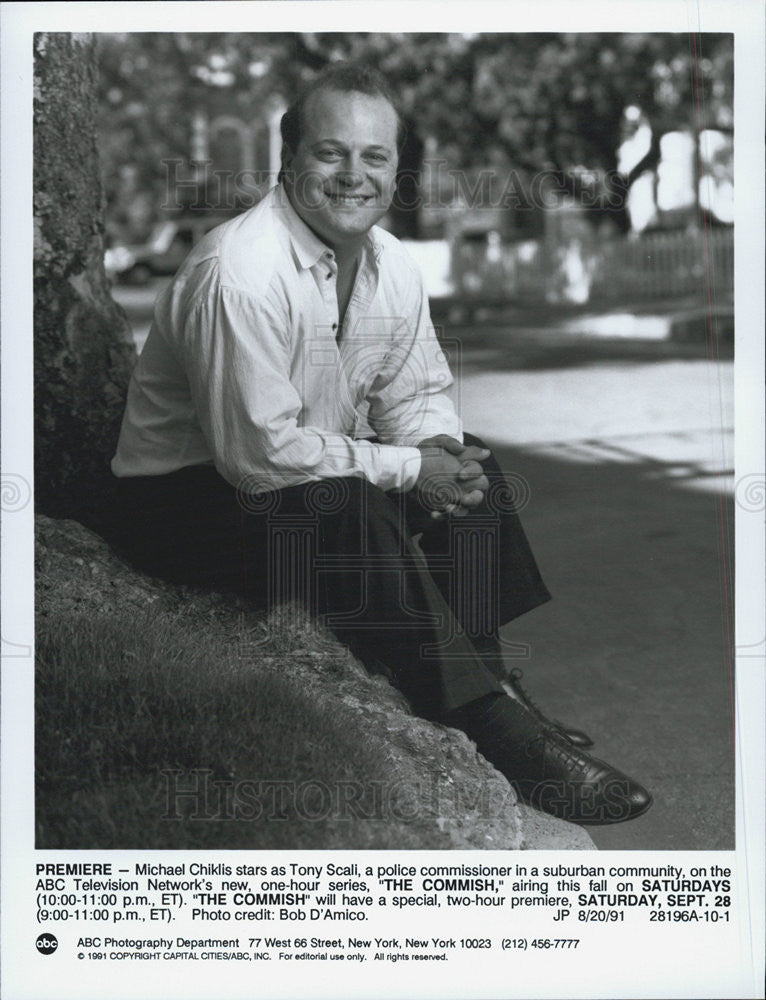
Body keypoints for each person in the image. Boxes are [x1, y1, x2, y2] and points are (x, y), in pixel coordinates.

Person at [108, 62, 651, 826]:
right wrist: (408, 468)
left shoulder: (391, 262)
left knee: (470, 459)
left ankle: (492, 685)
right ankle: (486, 725)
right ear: (289, 161)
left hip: (291, 479)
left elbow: (416, 393)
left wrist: (438, 454)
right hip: (186, 507)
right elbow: (257, 458)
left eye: (376, 156)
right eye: (332, 154)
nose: (355, 175)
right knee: (351, 495)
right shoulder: (240, 273)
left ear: (397, 167)